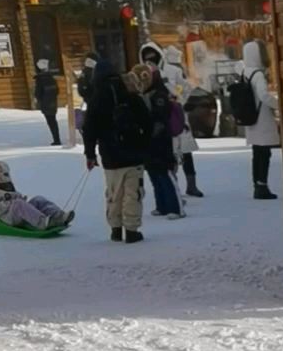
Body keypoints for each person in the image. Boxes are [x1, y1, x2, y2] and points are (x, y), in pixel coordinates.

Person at [82, 55, 151, 243]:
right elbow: (147, 121)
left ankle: (115, 229)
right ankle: (131, 230)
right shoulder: (130, 93)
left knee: (114, 193)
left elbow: (89, 129)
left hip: (110, 154)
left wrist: (90, 154)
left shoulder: (96, 99)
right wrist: (145, 143)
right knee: (132, 193)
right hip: (133, 153)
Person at [140, 41, 202, 198]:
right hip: (159, 118)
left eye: (152, 56)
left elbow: (186, 87)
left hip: (176, 115)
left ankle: (191, 185)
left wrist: (181, 100)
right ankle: (173, 188)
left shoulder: (173, 70)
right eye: (146, 57)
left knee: (186, 152)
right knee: (168, 155)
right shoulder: (143, 73)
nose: (150, 59)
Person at [133, 61, 184, 219]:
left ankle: (176, 208)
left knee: (165, 173)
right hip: (149, 141)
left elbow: (160, 117)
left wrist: (152, 132)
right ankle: (161, 205)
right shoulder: (144, 95)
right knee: (154, 173)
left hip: (161, 141)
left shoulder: (159, 94)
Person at [0, 158, 73, 230]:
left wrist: (20, 198)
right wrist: (9, 203)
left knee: (38, 199)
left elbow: (13, 196)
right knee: (18, 204)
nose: (7, 176)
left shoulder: (7, 184)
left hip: (15, 212)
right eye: (4, 174)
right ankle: (43, 223)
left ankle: (59, 216)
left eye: (7, 173)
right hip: (6, 218)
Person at [241, 39, 279, 201]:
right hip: (262, 118)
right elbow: (263, 95)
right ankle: (262, 186)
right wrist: (278, 104)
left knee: (257, 154)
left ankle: (258, 184)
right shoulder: (258, 74)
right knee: (264, 153)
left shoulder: (245, 72)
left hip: (250, 117)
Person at [33, 59, 61, 146]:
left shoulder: (40, 79)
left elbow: (38, 93)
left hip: (45, 103)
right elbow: (57, 91)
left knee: (51, 122)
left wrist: (38, 99)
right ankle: (57, 139)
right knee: (53, 121)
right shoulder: (52, 78)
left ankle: (56, 140)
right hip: (53, 102)